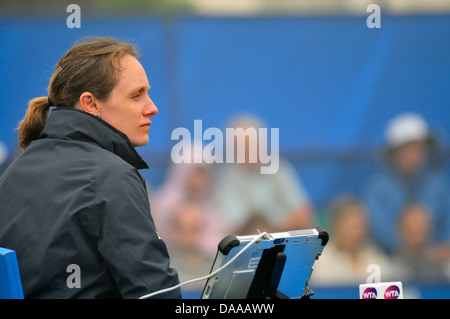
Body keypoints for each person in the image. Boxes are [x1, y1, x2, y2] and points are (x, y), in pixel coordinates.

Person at [0, 37, 180, 298]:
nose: (152, 108)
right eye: (137, 95)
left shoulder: (12, 173)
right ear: (90, 103)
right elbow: (155, 292)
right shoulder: (113, 177)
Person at [363, 113, 450, 253]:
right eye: (407, 149)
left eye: (418, 149)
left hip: (438, 256)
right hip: (392, 257)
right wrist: (407, 247)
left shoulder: (438, 182)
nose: (413, 155)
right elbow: (377, 228)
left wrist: (442, 247)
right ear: (393, 153)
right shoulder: (378, 186)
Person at [214, 115, 313, 235]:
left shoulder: (279, 168)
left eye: (253, 145)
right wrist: (274, 231)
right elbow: (238, 227)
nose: (250, 152)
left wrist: (275, 232)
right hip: (251, 247)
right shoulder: (226, 179)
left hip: (288, 240)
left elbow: (303, 213)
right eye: (243, 148)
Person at [310, 195, 401, 286]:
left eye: (361, 227)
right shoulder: (321, 262)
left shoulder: (375, 258)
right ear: (336, 227)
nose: (359, 233)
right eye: (353, 228)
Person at [393, 202, 448, 283]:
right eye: (410, 227)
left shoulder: (440, 266)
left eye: (420, 226)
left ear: (429, 229)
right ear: (399, 230)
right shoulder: (389, 266)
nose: (416, 231)